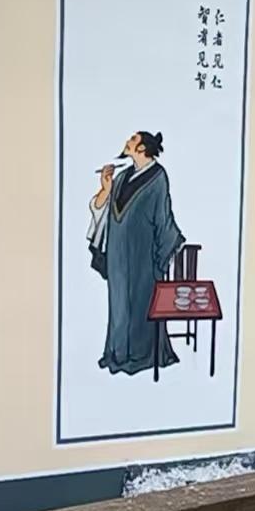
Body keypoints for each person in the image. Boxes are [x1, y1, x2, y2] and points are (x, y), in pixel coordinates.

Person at [88, 130, 185, 375]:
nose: (127, 142)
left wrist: (161, 257)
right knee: (119, 306)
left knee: (142, 305)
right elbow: (100, 208)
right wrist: (106, 189)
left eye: (132, 139)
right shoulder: (122, 177)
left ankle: (143, 356)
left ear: (142, 148)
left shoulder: (158, 177)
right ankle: (117, 354)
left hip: (143, 258)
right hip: (117, 256)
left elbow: (163, 219)